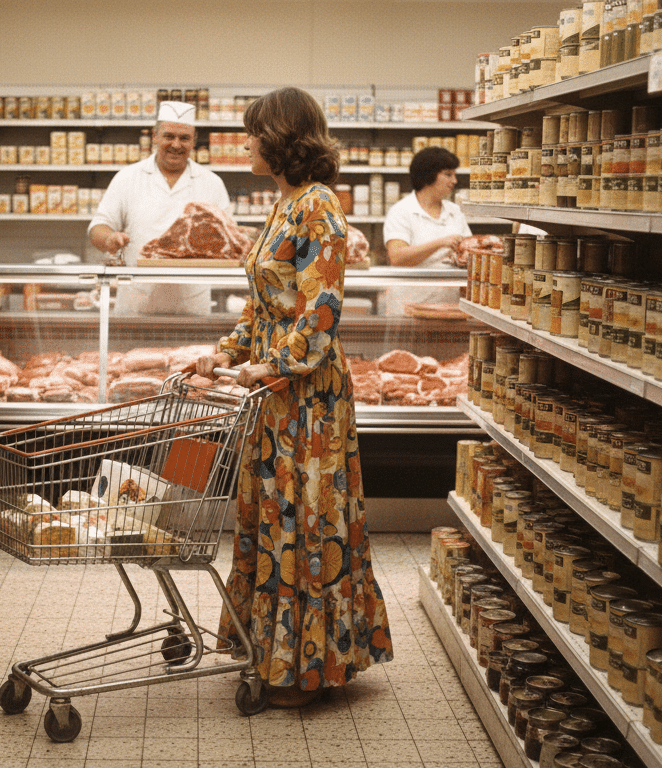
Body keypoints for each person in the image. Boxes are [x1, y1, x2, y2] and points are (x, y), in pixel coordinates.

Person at [195, 86, 392, 709]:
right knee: (276, 517)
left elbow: (319, 316)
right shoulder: (282, 207)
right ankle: (278, 655)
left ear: (281, 138)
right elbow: (264, 307)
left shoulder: (319, 209)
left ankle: (308, 667)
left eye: (253, 133)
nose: (244, 143)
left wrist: (264, 367)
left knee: (305, 521)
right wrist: (226, 351)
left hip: (310, 399)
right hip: (276, 394)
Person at [89, 101, 231, 315]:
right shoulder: (128, 178)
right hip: (137, 300)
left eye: (184, 138)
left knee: (193, 350)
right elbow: (99, 226)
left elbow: (230, 238)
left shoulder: (211, 183)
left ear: (193, 141)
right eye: (169, 136)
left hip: (191, 304)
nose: (176, 144)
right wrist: (109, 240)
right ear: (155, 137)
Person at [381, 145, 470, 314]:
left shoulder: (455, 211)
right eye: (448, 174)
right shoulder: (401, 211)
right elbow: (398, 257)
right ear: (428, 175)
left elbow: (468, 254)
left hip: (449, 308)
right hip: (409, 308)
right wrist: (441, 243)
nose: (455, 181)